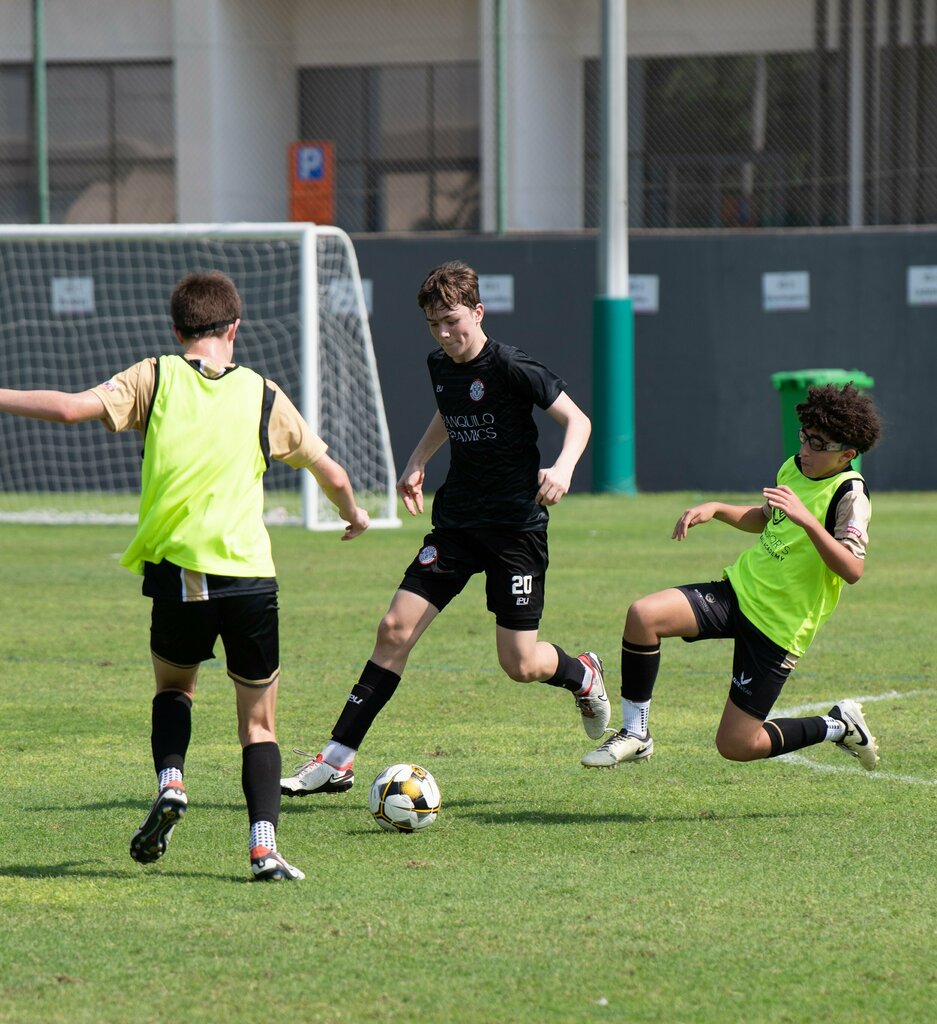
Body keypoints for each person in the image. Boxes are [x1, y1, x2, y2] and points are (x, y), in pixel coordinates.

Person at [0, 271, 370, 881]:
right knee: (259, 723)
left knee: (175, 689)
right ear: (235, 328)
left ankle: (172, 780)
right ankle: (263, 848)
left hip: (179, 576)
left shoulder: (155, 375)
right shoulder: (263, 393)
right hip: (251, 579)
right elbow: (329, 471)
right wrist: (352, 514)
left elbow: (69, 409)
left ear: (177, 331)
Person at [280, 259, 606, 797]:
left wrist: (564, 467)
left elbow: (579, 421)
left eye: (453, 320)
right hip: (456, 524)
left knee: (520, 663)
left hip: (514, 531)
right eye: (435, 324)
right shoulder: (440, 364)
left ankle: (582, 674)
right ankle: (337, 758)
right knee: (393, 630)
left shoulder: (512, 365)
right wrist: (416, 460)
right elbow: (447, 410)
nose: (445, 334)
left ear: (478, 312)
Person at [581, 381, 882, 773]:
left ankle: (837, 725)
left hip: (778, 628)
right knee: (643, 616)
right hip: (738, 593)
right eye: (805, 437)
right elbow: (768, 517)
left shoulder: (850, 494)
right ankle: (636, 734)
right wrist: (718, 509)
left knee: (737, 745)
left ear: (848, 455)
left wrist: (807, 520)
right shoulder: (794, 466)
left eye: (819, 445)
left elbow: (852, 569)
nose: (806, 450)